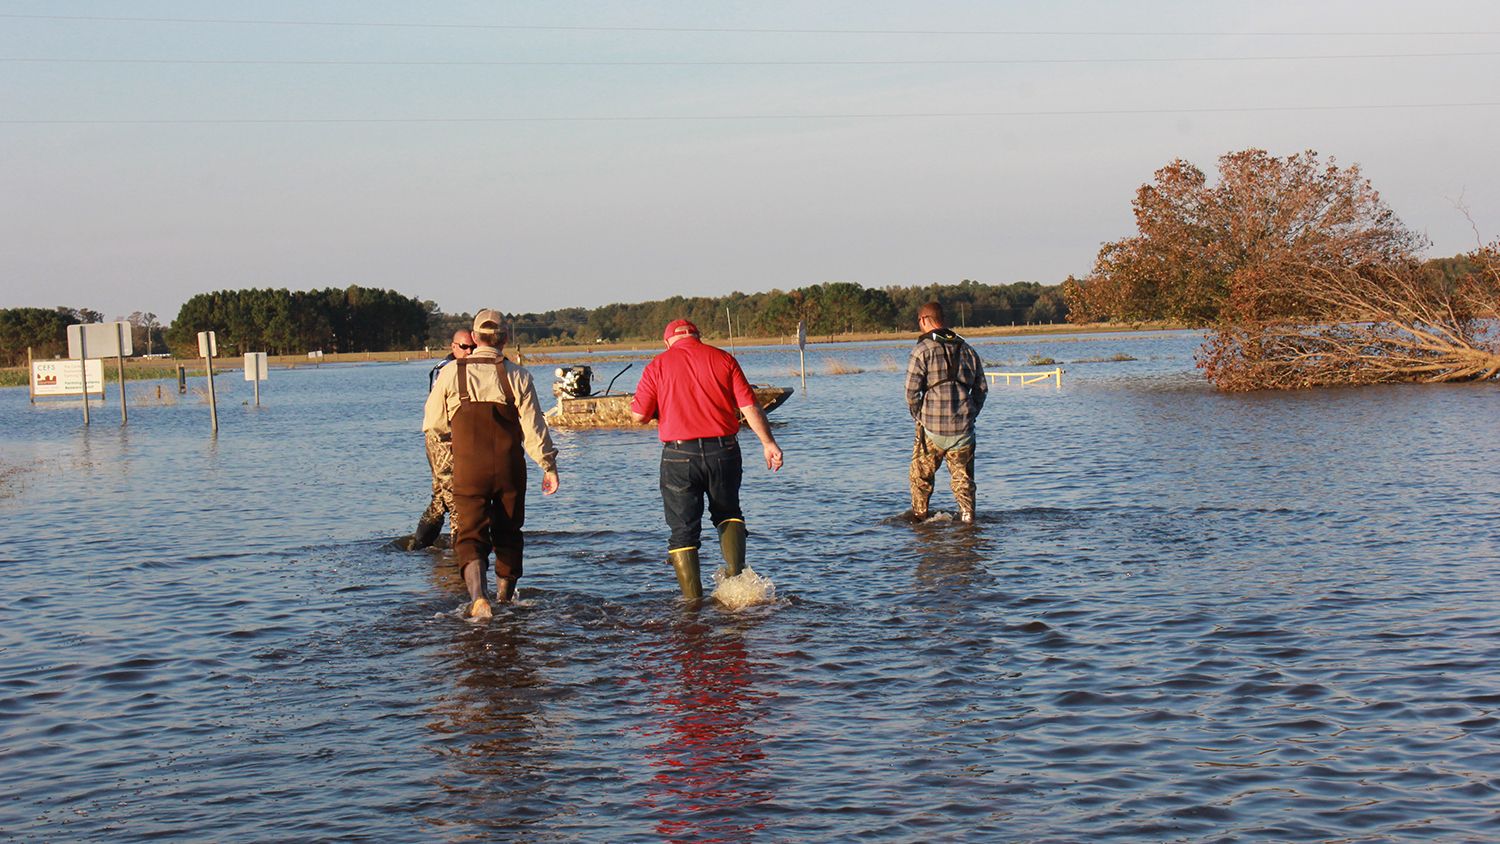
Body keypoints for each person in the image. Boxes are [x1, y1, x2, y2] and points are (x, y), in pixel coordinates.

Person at [630, 319, 784, 600]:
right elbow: (749, 406)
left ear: (667, 342)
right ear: (698, 337)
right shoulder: (724, 359)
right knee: (728, 513)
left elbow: (638, 416)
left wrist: (661, 412)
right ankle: (738, 585)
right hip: (723, 451)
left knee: (683, 532)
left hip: (678, 456)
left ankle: (692, 604)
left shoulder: (657, 365)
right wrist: (768, 443)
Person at [423, 310, 560, 619]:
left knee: (470, 535)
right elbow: (534, 429)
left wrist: (449, 458)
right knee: (509, 533)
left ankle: (478, 599)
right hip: (510, 469)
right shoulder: (518, 375)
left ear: (473, 338)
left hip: (469, 470)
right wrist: (548, 466)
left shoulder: (450, 373)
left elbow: (433, 424)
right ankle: (505, 601)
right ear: (505, 339)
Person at [905, 301, 987, 523]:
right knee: (963, 482)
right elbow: (981, 389)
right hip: (963, 431)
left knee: (920, 478)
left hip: (930, 430)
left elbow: (911, 393)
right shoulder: (969, 350)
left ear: (923, 320)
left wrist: (919, 417)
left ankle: (920, 522)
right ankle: (968, 522)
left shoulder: (921, 351)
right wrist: (971, 414)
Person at [408, 329, 476, 550]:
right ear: (453, 347)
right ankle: (462, 556)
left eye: (473, 347)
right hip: (442, 439)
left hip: (454, 439)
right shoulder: (447, 370)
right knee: (457, 502)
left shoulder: (470, 369)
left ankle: (418, 548)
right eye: (464, 347)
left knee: (440, 500)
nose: (469, 351)